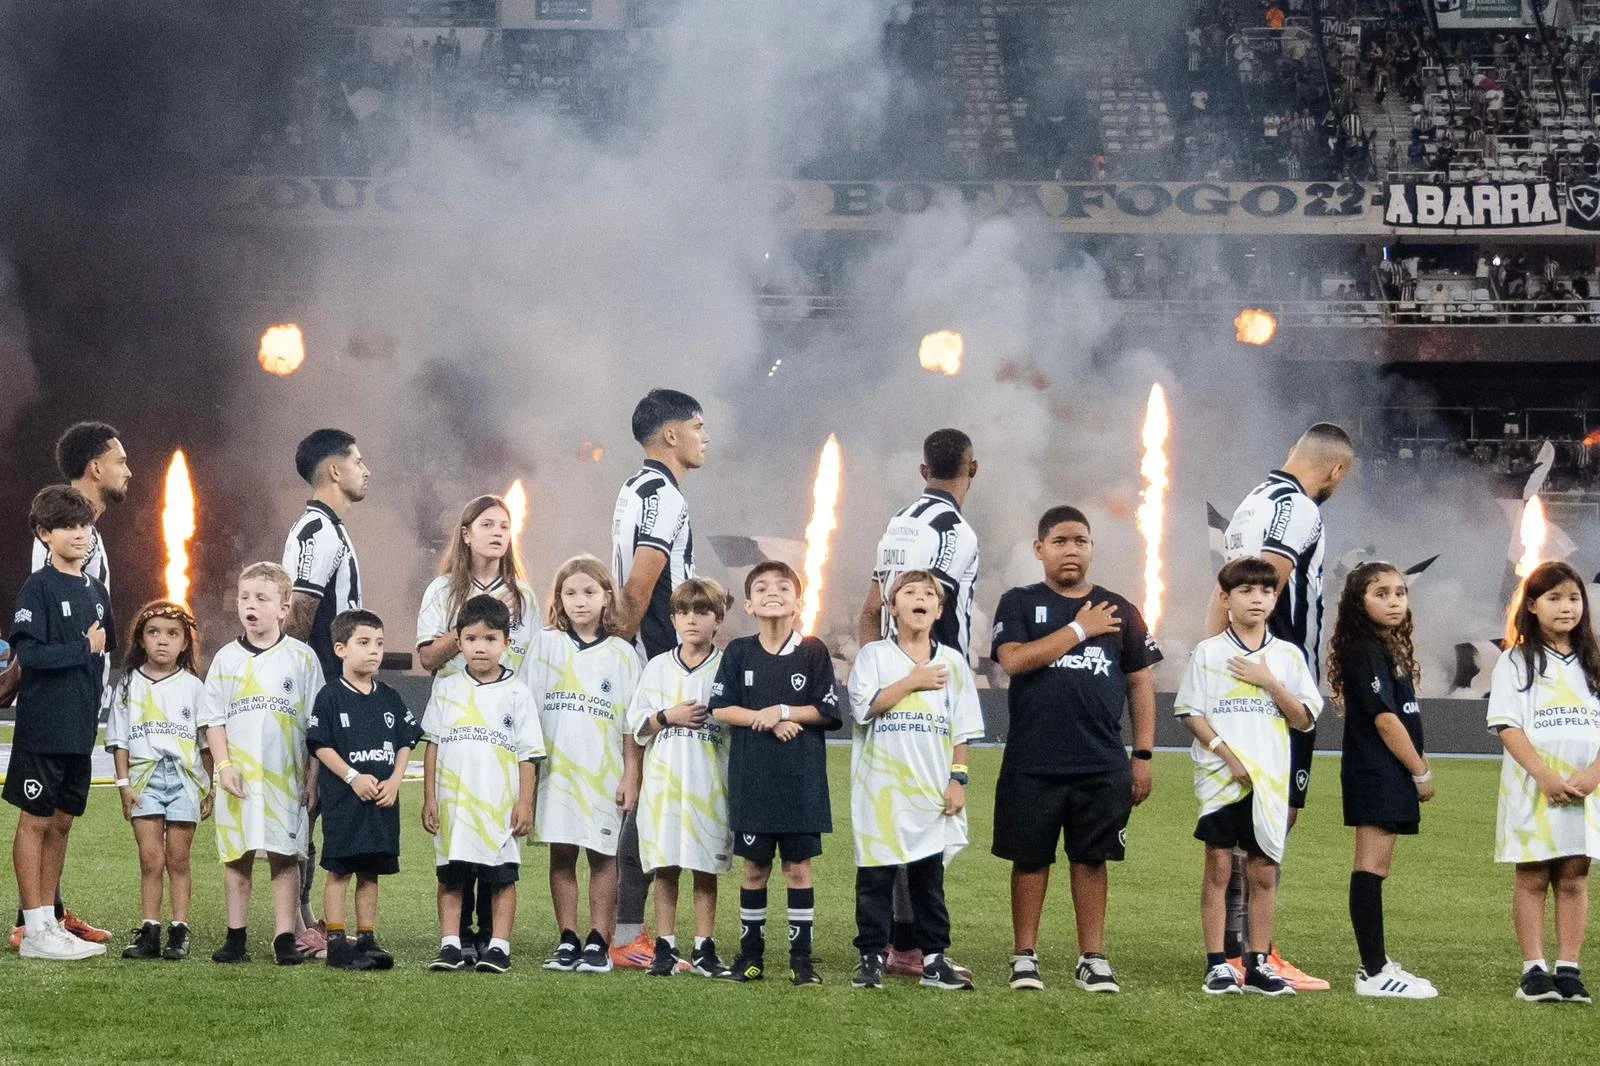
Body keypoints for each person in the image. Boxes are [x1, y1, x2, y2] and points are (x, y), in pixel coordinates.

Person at [990, 506, 1158, 994]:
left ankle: (1093, 957)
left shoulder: (1120, 609)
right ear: (1040, 549)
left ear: (1091, 549)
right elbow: (1015, 661)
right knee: (1030, 858)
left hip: (1100, 760)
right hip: (1032, 758)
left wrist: (1142, 755)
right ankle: (1025, 955)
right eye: (1060, 541)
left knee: (1092, 858)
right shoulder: (1018, 602)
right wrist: (1080, 630)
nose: (1071, 549)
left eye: (1081, 541)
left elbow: (1141, 683)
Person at [1212, 422, 1354, 990]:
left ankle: (1233, 950)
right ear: (1336, 471)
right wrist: (1272, 674)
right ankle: (1256, 955)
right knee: (1276, 816)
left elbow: (1222, 590)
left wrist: (1212, 660)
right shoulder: (1301, 508)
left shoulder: (1251, 503)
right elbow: (1266, 582)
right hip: (1277, 681)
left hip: (1239, 677)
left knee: (1243, 816)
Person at [855, 427, 981, 978]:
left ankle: (907, 947)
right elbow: (941, 613)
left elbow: (867, 611)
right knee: (909, 835)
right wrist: (906, 672)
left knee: (912, 832)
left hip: (898, 677)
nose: (920, 597)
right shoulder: (956, 531)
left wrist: (874, 661)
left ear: (922, 469)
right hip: (932, 682)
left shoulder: (897, 524)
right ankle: (904, 948)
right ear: (971, 469)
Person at [1176, 557, 1322, 997]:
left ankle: (1258, 964)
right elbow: (1191, 713)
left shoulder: (1287, 657)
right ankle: (1217, 963)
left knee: (1263, 873)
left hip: (1269, 785)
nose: (1256, 599)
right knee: (1219, 869)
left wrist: (1268, 681)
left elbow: (1304, 719)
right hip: (1223, 781)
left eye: (1265, 591)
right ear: (1227, 598)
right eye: (1245, 591)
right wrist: (1227, 755)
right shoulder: (1209, 652)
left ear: (1275, 599)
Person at [13, 421, 132, 950]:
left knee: (61, 818)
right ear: (96, 467)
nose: (129, 471)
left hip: (84, 707)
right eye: (122, 461)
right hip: (50, 708)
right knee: (38, 817)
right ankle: (31, 921)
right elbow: (38, 642)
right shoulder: (48, 556)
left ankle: (51, 915)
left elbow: (99, 634)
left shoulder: (91, 555)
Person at [415, 493, 539, 962]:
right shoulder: (442, 590)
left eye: (504, 526)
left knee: (497, 834)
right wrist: (473, 619)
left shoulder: (524, 596)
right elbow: (427, 658)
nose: (497, 532)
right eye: (486, 524)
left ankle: (492, 937)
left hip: (503, 722)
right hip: (456, 716)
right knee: (458, 838)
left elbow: (529, 662)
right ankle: (457, 938)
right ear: (466, 534)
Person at [847, 570, 985, 992]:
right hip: (880, 790)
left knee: (929, 880)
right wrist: (913, 681)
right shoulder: (873, 657)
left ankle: (934, 960)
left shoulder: (954, 662)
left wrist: (957, 779)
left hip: (930, 790)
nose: (920, 598)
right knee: (875, 878)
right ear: (892, 607)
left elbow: (962, 730)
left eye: (929, 594)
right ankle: (871, 957)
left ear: (939, 610)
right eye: (909, 592)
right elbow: (867, 707)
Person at [710, 560, 844, 986]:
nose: (773, 592)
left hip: (801, 782)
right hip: (753, 781)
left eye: (783, 587)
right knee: (754, 871)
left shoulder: (813, 651)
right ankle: (751, 957)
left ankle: (801, 960)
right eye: (762, 587)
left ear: (798, 602)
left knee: (798, 870)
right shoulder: (739, 652)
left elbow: (827, 710)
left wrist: (783, 710)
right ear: (748, 604)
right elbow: (720, 708)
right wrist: (763, 719)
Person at [610, 388, 708, 965]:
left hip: (647, 654)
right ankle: (630, 936)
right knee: (649, 800)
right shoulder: (662, 496)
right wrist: (646, 657)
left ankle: (633, 933)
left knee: (645, 797)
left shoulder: (634, 488)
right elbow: (642, 588)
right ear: (670, 435)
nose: (705, 437)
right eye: (697, 426)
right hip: (661, 659)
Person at [1488, 561, 1600, 1005]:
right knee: (1533, 873)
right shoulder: (1516, 660)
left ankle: (1569, 968)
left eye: (1573, 598)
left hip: (1586, 788)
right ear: (1532, 606)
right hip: (1535, 787)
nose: (1566, 607)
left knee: (1575, 874)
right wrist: (1544, 775)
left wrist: (1592, 774)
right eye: (1554, 598)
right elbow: (1507, 725)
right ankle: (1533, 970)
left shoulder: (1594, 659)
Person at [203, 562, 324, 965]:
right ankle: (235, 937)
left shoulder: (302, 659)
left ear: (284, 609)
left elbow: (315, 726)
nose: (250, 605)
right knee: (237, 856)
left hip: (285, 780)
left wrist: (312, 778)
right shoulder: (225, 659)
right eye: (244, 597)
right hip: (238, 778)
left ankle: (283, 938)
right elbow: (214, 720)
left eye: (261, 598)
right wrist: (223, 768)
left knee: (284, 856)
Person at [1327, 562, 1438, 998]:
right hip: (1375, 771)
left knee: (1380, 866)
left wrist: (1417, 760)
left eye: (1400, 593)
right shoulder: (1363, 650)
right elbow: (1387, 721)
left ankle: (1376, 964)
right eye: (1381, 594)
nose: (1394, 601)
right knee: (1370, 865)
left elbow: (1406, 719)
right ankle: (1373, 972)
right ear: (1359, 602)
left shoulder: (1387, 646)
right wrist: (1421, 771)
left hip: (1390, 771)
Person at [531, 555, 643, 975]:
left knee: (602, 855)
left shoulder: (622, 653)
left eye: (589, 592)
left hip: (602, 771)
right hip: (556, 771)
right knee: (562, 854)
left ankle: (599, 939)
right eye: (570, 592)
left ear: (606, 598)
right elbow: (527, 709)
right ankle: (567, 938)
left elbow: (632, 725)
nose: (579, 601)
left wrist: (631, 775)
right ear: (559, 598)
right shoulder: (545, 645)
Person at [283, 427, 369, 957]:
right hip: (313, 688)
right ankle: (292, 920)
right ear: (334, 470)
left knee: (315, 804)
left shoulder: (331, 528)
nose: (366, 469)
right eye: (358, 460)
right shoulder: (317, 529)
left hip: (325, 686)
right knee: (303, 803)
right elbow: (299, 614)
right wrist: (300, 685)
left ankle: (305, 912)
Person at [626, 578, 736, 979]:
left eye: (703, 612)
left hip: (710, 784)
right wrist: (666, 717)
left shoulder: (727, 664)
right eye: (684, 612)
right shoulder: (657, 667)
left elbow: (735, 722)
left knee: (706, 868)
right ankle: (666, 948)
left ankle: (705, 947)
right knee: (667, 866)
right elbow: (636, 723)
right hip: (665, 785)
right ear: (672, 618)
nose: (693, 620)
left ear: (718, 619)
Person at [306, 609, 422, 971]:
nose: (374, 651)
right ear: (341, 649)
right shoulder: (330, 696)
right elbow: (320, 744)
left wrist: (395, 779)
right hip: (345, 801)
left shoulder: (389, 697)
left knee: (371, 872)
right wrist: (352, 776)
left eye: (380, 643)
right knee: (340, 868)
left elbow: (406, 741)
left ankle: (367, 938)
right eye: (364, 643)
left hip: (382, 802)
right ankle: (337, 941)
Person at [107, 601, 210, 961]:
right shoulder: (128, 684)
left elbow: (205, 743)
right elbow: (119, 741)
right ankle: (149, 931)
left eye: (172, 634)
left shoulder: (195, 687)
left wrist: (208, 787)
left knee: (178, 859)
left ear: (185, 642)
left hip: (183, 779)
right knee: (150, 858)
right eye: (153, 632)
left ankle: (179, 931)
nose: (162, 641)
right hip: (144, 779)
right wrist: (124, 787)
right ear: (140, 639)